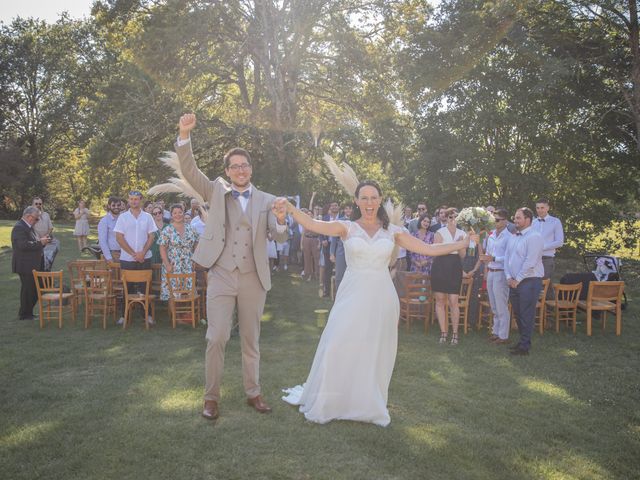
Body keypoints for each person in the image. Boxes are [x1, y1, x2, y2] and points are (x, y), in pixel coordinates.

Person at [279, 181, 471, 426]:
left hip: (382, 297)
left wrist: (462, 245)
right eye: (364, 198)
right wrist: (291, 208)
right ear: (356, 201)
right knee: (337, 343)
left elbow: (430, 249)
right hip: (351, 293)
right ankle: (330, 400)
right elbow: (313, 224)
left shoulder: (394, 231)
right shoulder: (346, 227)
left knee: (372, 349)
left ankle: (365, 403)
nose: (369, 203)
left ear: (380, 201)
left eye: (373, 198)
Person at [175, 113, 288, 421]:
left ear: (251, 169)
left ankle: (254, 393)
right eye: (235, 166)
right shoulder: (215, 191)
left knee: (252, 340)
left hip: (254, 277)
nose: (241, 170)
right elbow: (189, 170)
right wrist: (184, 135)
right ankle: (211, 397)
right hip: (222, 274)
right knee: (217, 336)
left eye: (245, 165)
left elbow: (279, 235)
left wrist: (280, 219)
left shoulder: (266, 199)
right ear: (227, 171)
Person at [114, 190, 158, 325]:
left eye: (136, 199)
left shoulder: (148, 217)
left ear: (141, 200)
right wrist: (134, 254)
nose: (134, 201)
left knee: (146, 287)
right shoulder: (123, 217)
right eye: (131, 199)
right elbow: (119, 237)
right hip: (127, 258)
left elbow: (152, 236)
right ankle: (124, 315)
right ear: (128, 200)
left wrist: (143, 253)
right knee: (127, 287)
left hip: (145, 258)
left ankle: (147, 315)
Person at [504, 207, 544, 356]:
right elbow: (507, 257)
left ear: (527, 220)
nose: (515, 220)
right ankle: (523, 341)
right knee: (518, 313)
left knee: (526, 314)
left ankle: (524, 347)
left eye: (518, 218)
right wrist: (509, 277)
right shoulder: (514, 236)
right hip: (513, 281)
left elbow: (530, 261)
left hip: (529, 281)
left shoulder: (535, 236)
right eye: (515, 218)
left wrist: (518, 279)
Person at [431, 208, 467, 345]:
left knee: (453, 301)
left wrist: (459, 245)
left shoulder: (462, 233)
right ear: (445, 218)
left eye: (455, 217)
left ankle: (455, 334)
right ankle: (443, 332)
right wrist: (455, 244)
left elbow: (463, 255)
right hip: (440, 266)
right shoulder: (439, 232)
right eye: (450, 217)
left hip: (454, 267)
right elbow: (437, 251)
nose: (452, 219)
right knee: (440, 300)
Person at [480, 208, 513, 344]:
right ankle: (496, 332)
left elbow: (509, 258)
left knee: (501, 305)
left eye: (497, 220)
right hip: (491, 272)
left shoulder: (509, 237)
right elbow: (487, 253)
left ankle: (503, 336)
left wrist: (494, 258)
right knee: (493, 305)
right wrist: (486, 269)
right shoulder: (491, 235)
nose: (495, 222)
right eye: (494, 219)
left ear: (505, 221)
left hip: (501, 273)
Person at [12, 206, 50, 320]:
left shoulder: (29, 227)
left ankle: (26, 312)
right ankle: (25, 314)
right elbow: (23, 245)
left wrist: (42, 240)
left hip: (33, 264)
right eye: (36, 219)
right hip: (25, 265)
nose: (37, 221)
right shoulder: (19, 227)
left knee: (37, 287)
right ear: (29, 217)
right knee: (28, 289)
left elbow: (32, 241)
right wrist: (40, 243)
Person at [158, 204, 199, 301]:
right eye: (175, 213)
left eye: (180, 212)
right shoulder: (167, 230)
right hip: (173, 264)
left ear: (184, 213)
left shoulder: (191, 228)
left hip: (188, 263)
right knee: (172, 292)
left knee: (188, 291)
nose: (178, 215)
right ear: (171, 215)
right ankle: (173, 315)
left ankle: (188, 314)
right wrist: (167, 264)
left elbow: (197, 243)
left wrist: (195, 259)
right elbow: (162, 248)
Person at [533, 198, 564, 300]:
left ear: (548, 208)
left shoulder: (555, 221)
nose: (540, 210)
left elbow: (560, 242)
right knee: (533, 283)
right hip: (533, 258)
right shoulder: (533, 222)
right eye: (537, 208)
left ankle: (549, 310)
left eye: (542, 207)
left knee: (545, 284)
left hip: (547, 258)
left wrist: (543, 247)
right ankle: (537, 310)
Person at [329, 204, 352, 291]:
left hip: (353, 252)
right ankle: (338, 294)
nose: (348, 210)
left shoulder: (357, 221)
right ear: (344, 210)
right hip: (341, 251)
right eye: (346, 208)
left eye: (350, 208)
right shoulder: (339, 221)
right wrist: (332, 253)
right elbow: (334, 239)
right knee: (339, 274)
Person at [32, 197, 57, 271]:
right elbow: (30, 228)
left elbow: (50, 228)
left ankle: (47, 276)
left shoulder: (46, 215)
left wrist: (46, 236)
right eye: (36, 203)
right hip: (36, 241)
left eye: (40, 203)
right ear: (33, 204)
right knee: (37, 261)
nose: (38, 205)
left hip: (46, 240)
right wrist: (38, 238)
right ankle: (37, 275)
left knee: (48, 260)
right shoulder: (30, 216)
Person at [97, 196, 122, 262]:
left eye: (118, 205)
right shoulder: (104, 221)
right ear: (109, 206)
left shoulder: (124, 219)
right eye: (113, 205)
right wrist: (109, 257)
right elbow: (102, 241)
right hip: (112, 253)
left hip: (125, 254)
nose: (116, 207)